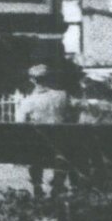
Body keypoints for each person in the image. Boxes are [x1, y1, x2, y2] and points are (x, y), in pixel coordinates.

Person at [15, 62, 73, 196]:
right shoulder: (63, 96)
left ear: (32, 80)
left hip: (39, 147)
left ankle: (37, 187)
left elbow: (19, 123)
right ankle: (58, 185)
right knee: (63, 151)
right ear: (50, 78)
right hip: (61, 145)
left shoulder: (28, 102)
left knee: (34, 151)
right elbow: (72, 116)